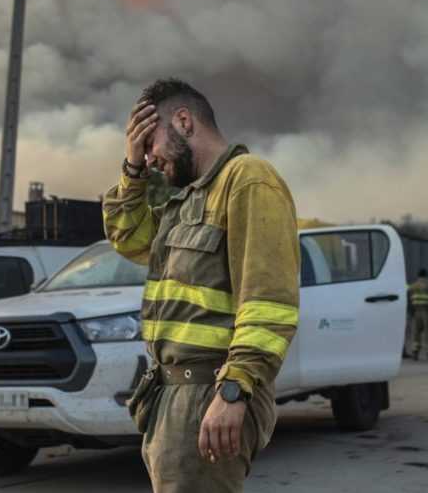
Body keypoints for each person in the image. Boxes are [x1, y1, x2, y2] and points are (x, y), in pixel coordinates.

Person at [102, 78, 300, 492]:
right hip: (172, 395)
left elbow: (268, 302)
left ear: (185, 122)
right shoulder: (187, 199)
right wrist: (132, 169)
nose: (149, 155)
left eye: (149, 141)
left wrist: (234, 390)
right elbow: (127, 236)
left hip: (209, 391)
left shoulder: (248, 179)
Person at [407, 268, 428, 362]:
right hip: (427, 312)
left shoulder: (412, 287)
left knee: (415, 333)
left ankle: (415, 353)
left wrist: (411, 312)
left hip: (416, 312)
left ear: (418, 276)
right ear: (426, 275)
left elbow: (409, 301)